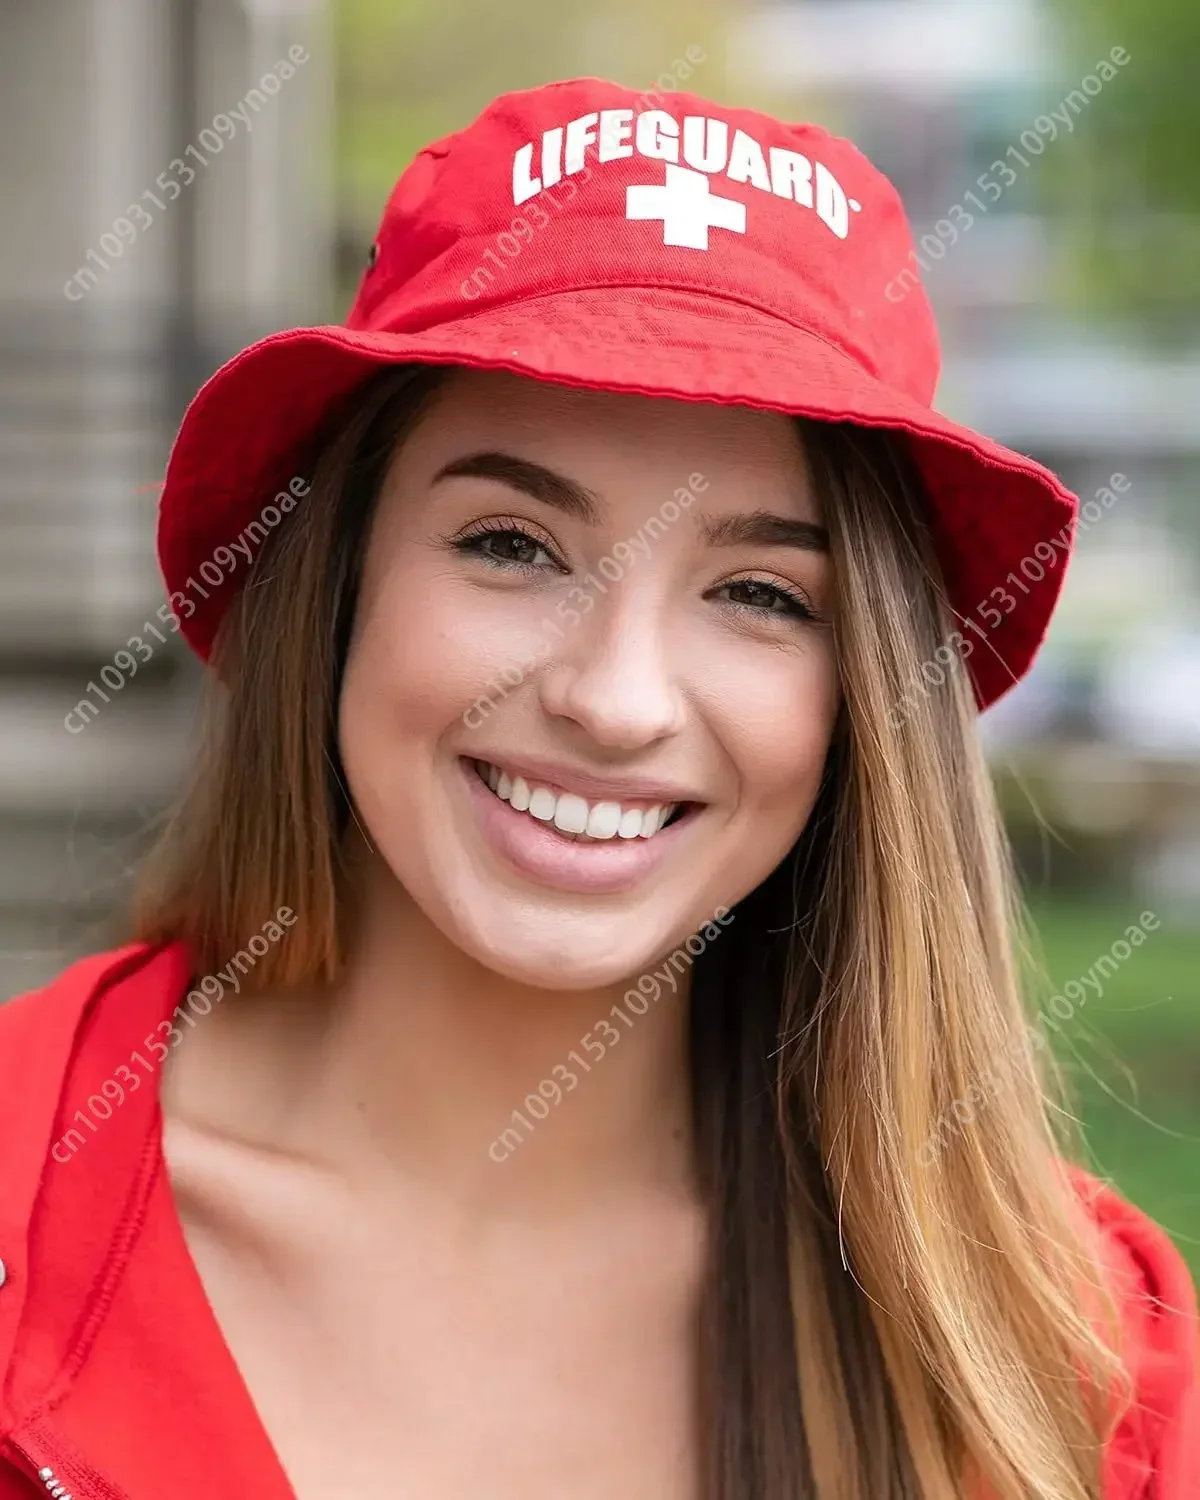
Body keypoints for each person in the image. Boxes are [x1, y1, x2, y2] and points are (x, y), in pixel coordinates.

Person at [0, 78, 1194, 1500]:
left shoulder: (1075, 1358)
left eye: (759, 592)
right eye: (511, 546)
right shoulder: (25, 1203)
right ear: (333, 590)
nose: (614, 700)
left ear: (864, 700)